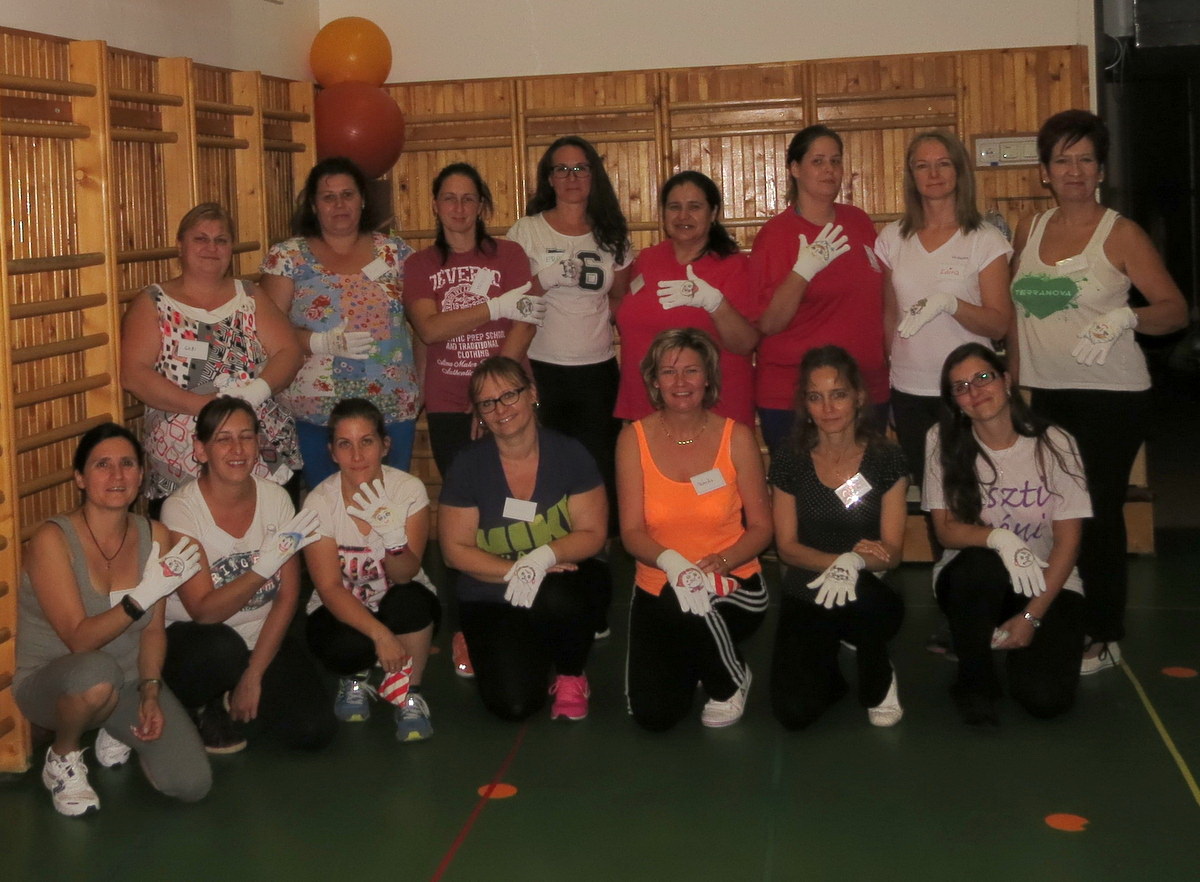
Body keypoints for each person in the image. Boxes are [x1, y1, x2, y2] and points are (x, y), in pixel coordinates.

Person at [1010, 110, 1187, 673]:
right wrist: (1013, 385)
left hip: (1112, 397)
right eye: (1062, 160)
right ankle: (1065, 609)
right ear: (1044, 171)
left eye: (1085, 159)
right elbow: (1019, 316)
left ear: (1101, 170)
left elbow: (1175, 310)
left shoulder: (1121, 233)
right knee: (1057, 511)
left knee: (1096, 513)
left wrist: (1126, 318)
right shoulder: (1029, 229)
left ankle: (1106, 633)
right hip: (1049, 395)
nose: (1074, 170)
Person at [14, 423, 209, 816]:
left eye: (127, 464)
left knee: (192, 784)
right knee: (96, 674)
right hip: (54, 683)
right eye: (102, 465)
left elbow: (152, 631)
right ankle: (62, 756)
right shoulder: (53, 540)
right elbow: (79, 640)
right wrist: (141, 597)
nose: (117, 475)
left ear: (141, 474)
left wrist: (150, 690)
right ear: (80, 478)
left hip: (128, 681)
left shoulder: (156, 535)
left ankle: (114, 725)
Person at [924, 343, 1092, 725]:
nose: (975, 391)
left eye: (983, 377)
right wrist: (1000, 538)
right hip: (975, 577)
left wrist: (1031, 616)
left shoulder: (1055, 442)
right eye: (961, 387)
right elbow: (945, 531)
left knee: (1045, 700)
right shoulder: (942, 439)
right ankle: (975, 682)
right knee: (981, 565)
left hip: (1046, 581)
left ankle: (1007, 640)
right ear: (954, 401)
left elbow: (1068, 542)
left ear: (1006, 380)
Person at [438, 357, 610, 721]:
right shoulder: (467, 465)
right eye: (488, 403)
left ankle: (571, 674)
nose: (501, 409)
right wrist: (520, 569)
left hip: (558, 581)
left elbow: (593, 533)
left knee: (569, 593)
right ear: (479, 413)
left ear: (531, 393)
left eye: (509, 395)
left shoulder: (570, 453)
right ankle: (482, 639)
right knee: (513, 705)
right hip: (491, 592)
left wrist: (543, 558)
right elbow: (454, 551)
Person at [160, 398, 336, 753]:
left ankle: (235, 690)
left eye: (246, 437)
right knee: (221, 649)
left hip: (259, 635)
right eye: (223, 439)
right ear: (200, 449)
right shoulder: (180, 510)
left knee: (312, 731)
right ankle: (201, 704)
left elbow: (288, 595)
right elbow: (204, 611)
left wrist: (254, 675)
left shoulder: (276, 499)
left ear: (258, 443)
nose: (237, 449)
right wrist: (262, 568)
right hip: (199, 640)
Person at [617, 329, 771, 731]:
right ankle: (702, 654)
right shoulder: (632, 439)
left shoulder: (737, 437)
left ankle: (730, 680)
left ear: (708, 378)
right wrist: (673, 564)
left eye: (691, 370)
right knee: (654, 715)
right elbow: (631, 532)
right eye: (668, 372)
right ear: (654, 380)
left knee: (686, 602)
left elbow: (761, 528)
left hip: (732, 584)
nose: (680, 382)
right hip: (658, 586)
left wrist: (721, 562)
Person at [121, 202, 302, 506]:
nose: (211, 248)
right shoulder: (153, 302)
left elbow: (290, 352)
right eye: (201, 239)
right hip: (183, 460)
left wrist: (257, 391)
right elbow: (134, 375)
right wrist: (207, 409)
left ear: (231, 248)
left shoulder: (251, 295)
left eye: (221, 240)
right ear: (180, 245)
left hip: (261, 451)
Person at [768, 346, 908, 729]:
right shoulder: (790, 459)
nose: (828, 408)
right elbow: (787, 548)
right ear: (805, 404)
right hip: (808, 587)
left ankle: (878, 673)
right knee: (794, 713)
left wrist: (856, 562)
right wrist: (838, 562)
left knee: (866, 602)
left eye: (839, 394)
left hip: (870, 587)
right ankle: (828, 667)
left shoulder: (886, 458)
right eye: (816, 397)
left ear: (859, 397)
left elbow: (893, 551)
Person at [259, 157, 420, 487]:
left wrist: (422, 389)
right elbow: (267, 335)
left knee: (390, 504)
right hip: (316, 412)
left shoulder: (395, 253)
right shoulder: (287, 257)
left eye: (347, 194)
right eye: (328, 197)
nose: (339, 205)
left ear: (363, 199)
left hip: (391, 408)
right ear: (314, 205)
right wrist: (317, 342)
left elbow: (425, 325)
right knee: (327, 506)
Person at [876, 130, 1013, 484]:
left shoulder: (985, 239)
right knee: (931, 496)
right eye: (922, 166)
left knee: (974, 492)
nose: (933, 174)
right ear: (911, 175)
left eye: (943, 164)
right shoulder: (892, 238)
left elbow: (999, 324)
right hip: (909, 391)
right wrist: (889, 378)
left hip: (969, 392)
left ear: (959, 171)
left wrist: (950, 304)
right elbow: (890, 316)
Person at [507, 135, 632, 519]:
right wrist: (543, 280)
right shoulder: (527, 230)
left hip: (597, 370)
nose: (571, 177)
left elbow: (619, 298)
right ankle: (548, 545)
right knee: (545, 466)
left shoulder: (612, 232)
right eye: (561, 169)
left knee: (599, 467)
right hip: (542, 367)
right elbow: (510, 300)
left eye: (580, 168)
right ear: (549, 178)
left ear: (594, 175)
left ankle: (599, 547)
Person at [302, 398, 440, 742]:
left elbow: (405, 574)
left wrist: (394, 539)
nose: (357, 455)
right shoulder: (319, 502)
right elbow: (329, 588)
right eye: (344, 444)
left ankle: (409, 692)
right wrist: (380, 635)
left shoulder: (407, 490)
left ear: (385, 445)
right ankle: (355, 675)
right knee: (343, 644)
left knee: (411, 601)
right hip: (344, 607)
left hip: (399, 601)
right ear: (332, 452)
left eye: (366, 441)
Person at [751, 124, 887, 453]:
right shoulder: (776, 235)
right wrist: (803, 271)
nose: (829, 170)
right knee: (803, 486)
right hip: (796, 396)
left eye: (835, 161)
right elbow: (769, 322)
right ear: (795, 169)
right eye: (818, 161)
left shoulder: (858, 222)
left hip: (864, 389)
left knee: (865, 484)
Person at [404, 162, 544, 477]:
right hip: (448, 401)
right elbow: (429, 329)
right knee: (463, 493)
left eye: (468, 199)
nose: (459, 208)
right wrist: (495, 308)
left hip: (508, 395)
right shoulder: (419, 264)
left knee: (518, 488)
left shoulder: (510, 254)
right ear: (435, 205)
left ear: (480, 206)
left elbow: (524, 325)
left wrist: (491, 392)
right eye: (449, 198)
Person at [615, 171, 759, 427]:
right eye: (674, 207)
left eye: (694, 207)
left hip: (712, 413)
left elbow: (745, 343)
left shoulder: (734, 266)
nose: (683, 216)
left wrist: (715, 303)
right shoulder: (647, 259)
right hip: (643, 406)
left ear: (713, 213)